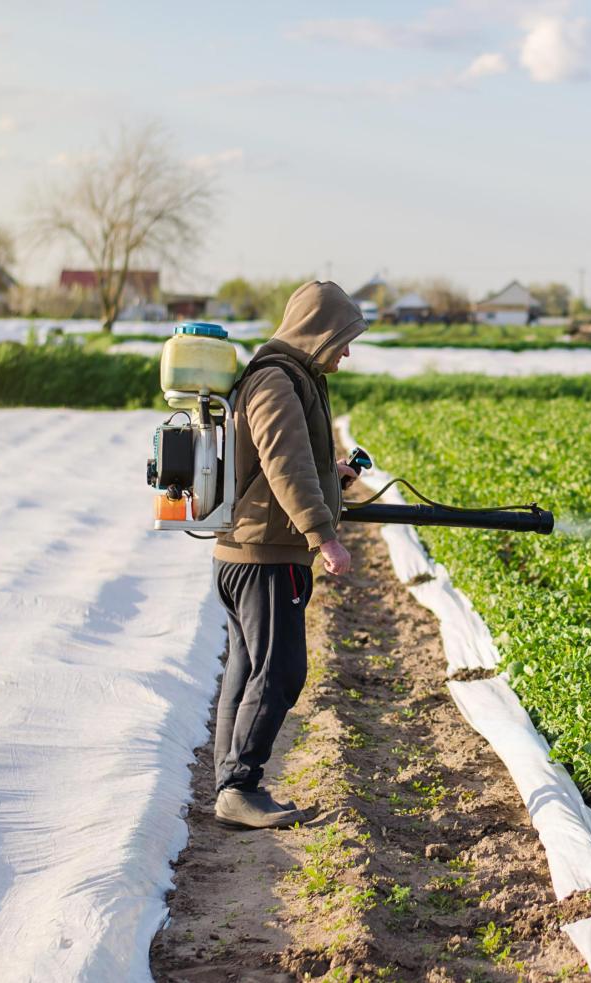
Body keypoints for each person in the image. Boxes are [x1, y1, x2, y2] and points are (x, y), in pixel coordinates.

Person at [210, 281, 367, 829]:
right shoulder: (277, 380)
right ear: (318, 330)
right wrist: (324, 536)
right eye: (343, 338)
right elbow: (285, 465)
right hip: (267, 557)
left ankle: (231, 782)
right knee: (279, 670)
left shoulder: (283, 375)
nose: (346, 351)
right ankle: (238, 786)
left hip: (247, 551)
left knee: (248, 667)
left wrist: (335, 477)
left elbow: (297, 463)